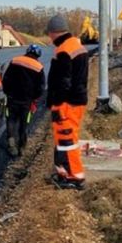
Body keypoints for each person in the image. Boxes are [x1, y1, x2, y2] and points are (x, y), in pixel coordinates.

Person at [46, 15, 89, 189]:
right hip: (76, 100)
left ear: (53, 32)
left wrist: (56, 102)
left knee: (66, 140)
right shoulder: (76, 46)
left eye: (49, 33)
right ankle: (64, 172)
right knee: (65, 139)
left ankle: (75, 177)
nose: (49, 37)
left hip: (66, 103)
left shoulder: (64, 50)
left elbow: (63, 81)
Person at [2, 44, 45, 157]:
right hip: (27, 101)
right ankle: (22, 146)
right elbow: (40, 87)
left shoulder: (15, 61)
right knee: (24, 122)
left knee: (11, 120)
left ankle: (11, 143)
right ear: (38, 55)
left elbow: (6, 78)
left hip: (12, 98)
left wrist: (7, 92)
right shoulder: (38, 67)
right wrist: (35, 98)